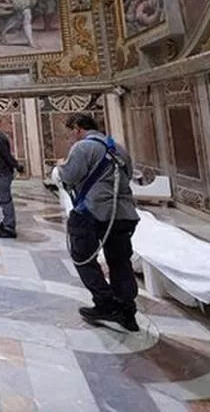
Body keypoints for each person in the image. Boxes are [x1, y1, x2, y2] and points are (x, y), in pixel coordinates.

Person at [56, 113, 140, 332]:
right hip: (124, 213)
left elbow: (69, 177)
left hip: (93, 212)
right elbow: (128, 176)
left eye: (69, 134)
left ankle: (105, 303)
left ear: (77, 128)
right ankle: (126, 309)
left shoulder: (83, 147)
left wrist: (60, 167)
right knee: (120, 262)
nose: (69, 139)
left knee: (82, 257)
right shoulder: (119, 149)